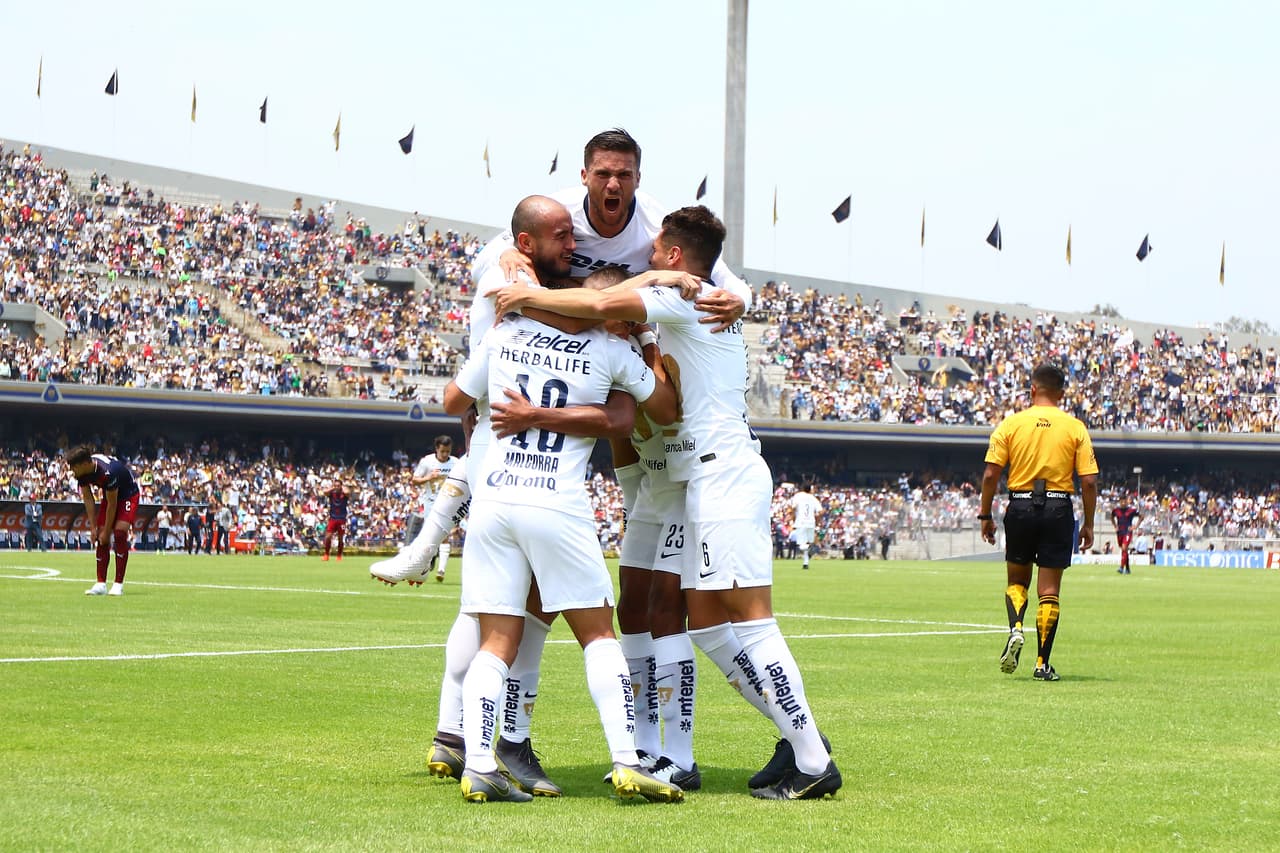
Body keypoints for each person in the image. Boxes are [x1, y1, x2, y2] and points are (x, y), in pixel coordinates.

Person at [494, 205, 842, 800]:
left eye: (657, 255)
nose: (648, 260)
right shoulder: (704, 296)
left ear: (677, 257)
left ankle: (812, 757)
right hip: (705, 478)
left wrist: (520, 297)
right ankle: (791, 735)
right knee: (707, 625)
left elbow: (602, 307)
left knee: (751, 615)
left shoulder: (685, 298)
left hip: (722, 473)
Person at [441, 239, 682, 803]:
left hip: (495, 503)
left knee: (496, 641)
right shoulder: (612, 352)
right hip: (557, 505)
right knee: (598, 634)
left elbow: (454, 401)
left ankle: (479, 764)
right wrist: (644, 341)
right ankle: (627, 761)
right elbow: (664, 411)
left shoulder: (506, 333)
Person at [979, 363, 1099, 682]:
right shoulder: (1074, 427)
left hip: (1019, 504)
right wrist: (1088, 523)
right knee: (1049, 591)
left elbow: (991, 473)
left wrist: (985, 515)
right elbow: (1089, 482)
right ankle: (1042, 663)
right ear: (1062, 394)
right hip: (1058, 508)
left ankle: (1016, 627)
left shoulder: (1011, 424)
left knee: (1018, 581)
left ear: (1032, 389)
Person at [66, 445, 140, 596]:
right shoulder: (82, 473)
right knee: (100, 537)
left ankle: (118, 585)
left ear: (85, 464)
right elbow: (88, 498)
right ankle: (101, 583)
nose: (72, 471)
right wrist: (94, 527)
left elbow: (113, 505)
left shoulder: (107, 473)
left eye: (74, 468)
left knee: (119, 533)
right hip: (110, 495)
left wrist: (107, 531)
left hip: (127, 495)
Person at [406, 436, 457, 582]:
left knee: (444, 535)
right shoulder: (427, 462)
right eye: (442, 451)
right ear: (436, 449)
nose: (445, 454)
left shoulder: (456, 463)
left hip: (448, 503)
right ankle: (429, 561)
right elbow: (415, 480)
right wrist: (429, 477)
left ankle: (441, 570)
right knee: (432, 537)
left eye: (448, 451)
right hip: (430, 503)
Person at [788, 482, 823, 569]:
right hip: (811, 522)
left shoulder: (798, 496)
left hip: (801, 522)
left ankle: (811, 548)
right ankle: (805, 563)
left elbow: (793, 507)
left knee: (801, 545)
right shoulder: (813, 498)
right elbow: (821, 511)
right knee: (808, 542)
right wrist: (817, 520)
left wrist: (792, 516)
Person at [322, 481, 350, 561]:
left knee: (340, 538)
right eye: (335, 485)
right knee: (328, 536)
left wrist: (341, 487)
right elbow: (325, 492)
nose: (337, 487)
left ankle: (339, 555)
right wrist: (333, 487)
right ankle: (326, 554)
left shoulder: (344, 494)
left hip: (342, 519)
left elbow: (347, 492)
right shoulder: (332, 493)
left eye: (338, 486)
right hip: (333, 518)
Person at [1111, 495, 1139, 575]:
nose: (1123, 503)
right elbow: (1112, 517)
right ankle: (1127, 568)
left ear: (1127, 501)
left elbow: (1141, 516)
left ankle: (1121, 567)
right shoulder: (1116, 511)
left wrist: (1135, 526)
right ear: (1119, 501)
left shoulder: (1131, 510)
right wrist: (1115, 526)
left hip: (1127, 532)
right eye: (1121, 501)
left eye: (1125, 501)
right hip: (1120, 532)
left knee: (1124, 548)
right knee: (1124, 550)